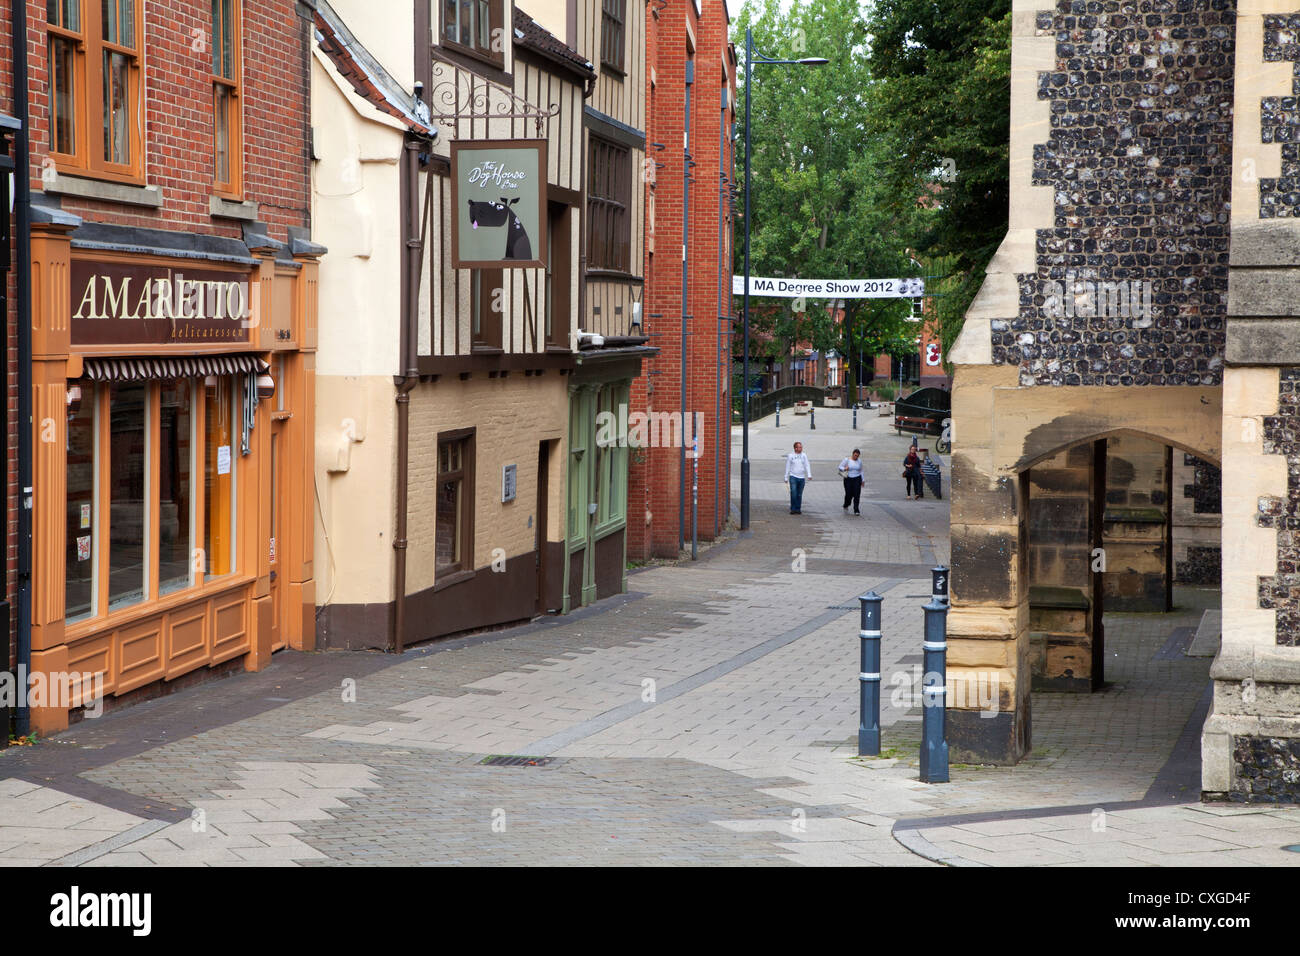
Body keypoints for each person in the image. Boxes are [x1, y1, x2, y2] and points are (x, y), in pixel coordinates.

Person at [784, 441, 812, 514]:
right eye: (799, 447)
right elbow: (788, 466)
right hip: (793, 476)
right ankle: (793, 508)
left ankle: (798, 508)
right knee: (793, 493)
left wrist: (809, 474)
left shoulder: (804, 455)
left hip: (801, 477)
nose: (801, 448)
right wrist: (786, 477)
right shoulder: (791, 456)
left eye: (801, 447)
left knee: (799, 494)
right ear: (795, 448)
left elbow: (807, 465)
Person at [839, 448, 864, 515]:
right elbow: (840, 467)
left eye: (857, 456)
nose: (856, 457)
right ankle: (846, 504)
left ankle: (856, 509)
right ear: (852, 454)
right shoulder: (847, 460)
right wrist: (844, 468)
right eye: (855, 455)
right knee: (849, 493)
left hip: (857, 478)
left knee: (857, 494)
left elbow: (861, 470)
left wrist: (863, 480)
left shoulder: (859, 461)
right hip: (848, 479)